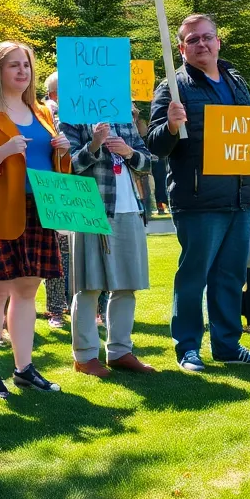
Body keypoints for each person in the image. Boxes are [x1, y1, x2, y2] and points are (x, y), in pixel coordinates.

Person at [147, 13, 250, 371]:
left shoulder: (235, 80)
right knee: (194, 277)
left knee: (231, 276)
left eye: (207, 37)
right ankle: (187, 348)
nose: (202, 44)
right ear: (182, 48)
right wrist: (170, 124)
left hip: (238, 196)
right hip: (198, 198)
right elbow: (155, 146)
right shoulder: (172, 86)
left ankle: (228, 346)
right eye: (193, 40)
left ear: (218, 41)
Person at [0, 42, 71, 397]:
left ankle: (25, 369)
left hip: (39, 209)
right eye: (13, 65)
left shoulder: (40, 110)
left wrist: (62, 152)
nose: (22, 71)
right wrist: (5, 150)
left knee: (28, 291)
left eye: (26, 65)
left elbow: (54, 164)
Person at [59, 117, 155, 377]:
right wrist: (95, 144)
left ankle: (120, 351)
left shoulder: (124, 116)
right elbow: (67, 164)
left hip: (130, 208)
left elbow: (147, 162)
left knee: (127, 284)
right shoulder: (73, 116)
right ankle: (85, 355)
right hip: (91, 208)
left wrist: (129, 152)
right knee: (89, 285)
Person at [41, 71, 71, 328]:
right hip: (57, 190)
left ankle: (91, 307)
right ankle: (56, 310)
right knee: (58, 252)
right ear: (54, 95)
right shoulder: (46, 114)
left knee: (82, 251)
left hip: (79, 189)